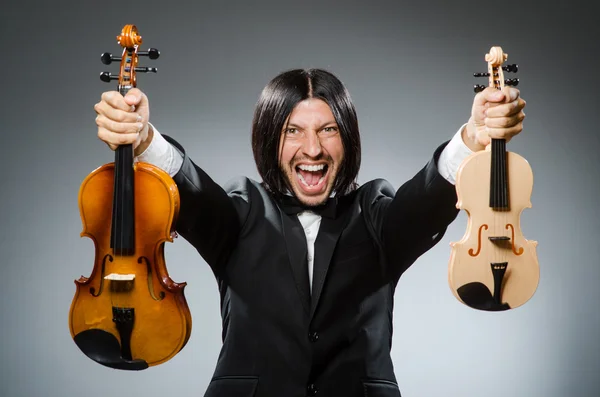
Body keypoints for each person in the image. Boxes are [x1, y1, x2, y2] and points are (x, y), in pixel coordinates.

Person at [94, 68, 525, 397]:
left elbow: (422, 205)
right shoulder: (242, 210)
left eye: (328, 130)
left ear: (348, 139)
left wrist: (473, 137)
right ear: (269, 141)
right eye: (292, 132)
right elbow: (194, 194)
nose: (313, 149)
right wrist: (144, 138)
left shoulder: (375, 213)